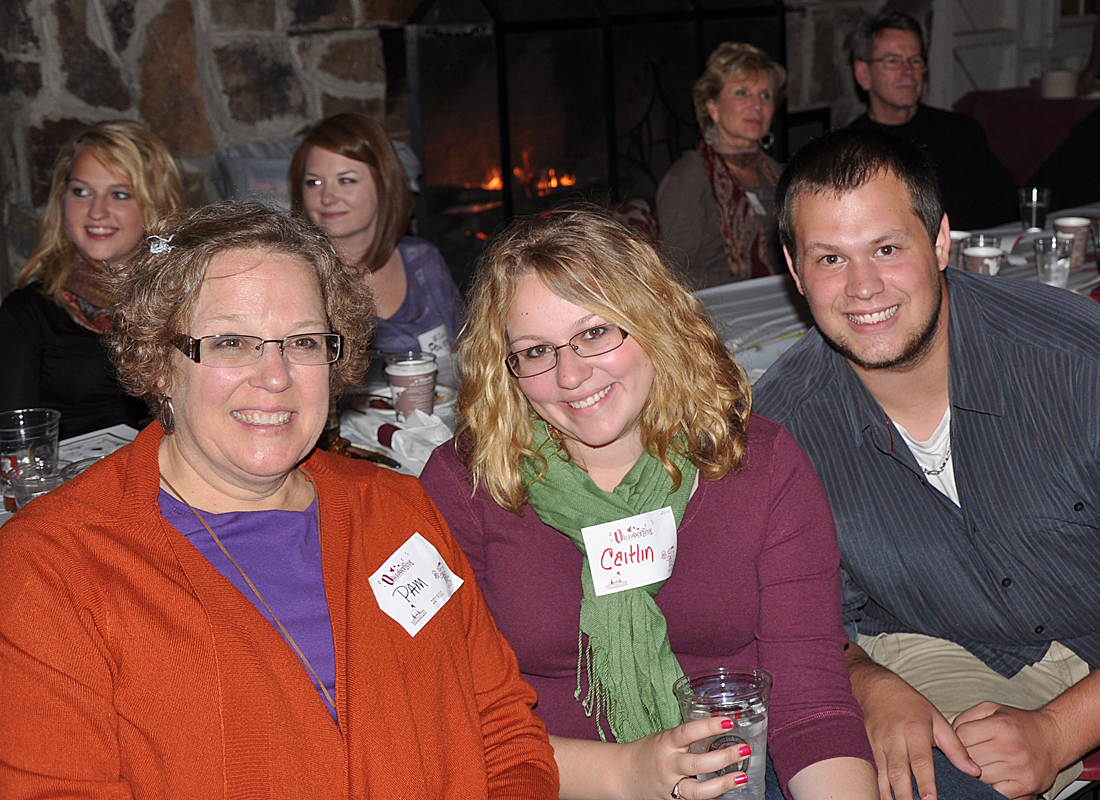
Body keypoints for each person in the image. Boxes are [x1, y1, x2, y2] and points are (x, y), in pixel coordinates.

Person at [0, 202, 558, 798]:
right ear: (161, 361)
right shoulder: (50, 570)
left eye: (302, 341)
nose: (275, 376)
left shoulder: (398, 512)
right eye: (232, 341)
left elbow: (504, 734)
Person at [420, 207, 878, 800]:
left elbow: (811, 706)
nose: (570, 375)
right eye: (535, 351)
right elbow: (443, 712)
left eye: (594, 333)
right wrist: (625, 773)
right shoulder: (468, 487)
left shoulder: (758, 466)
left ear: (654, 321)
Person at [753, 126, 1100, 800]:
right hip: (947, 647)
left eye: (887, 248)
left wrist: (1059, 731)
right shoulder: (782, 431)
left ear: (941, 243)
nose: (863, 288)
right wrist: (870, 684)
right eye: (830, 259)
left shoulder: (1076, 366)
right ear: (795, 272)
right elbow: (798, 624)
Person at [0, 120, 184, 438]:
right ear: (62, 199)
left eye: (120, 194)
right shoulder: (27, 314)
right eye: (82, 192)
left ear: (153, 202)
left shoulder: (188, 298)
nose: (97, 211)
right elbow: (14, 449)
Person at [289, 112, 465, 369]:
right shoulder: (298, 278)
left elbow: (467, 354)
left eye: (346, 180)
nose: (327, 197)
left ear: (384, 185)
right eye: (313, 182)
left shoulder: (423, 262)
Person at [846, 11, 1018, 232]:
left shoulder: (961, 133)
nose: (908, 72)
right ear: (863, 74)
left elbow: (996, 218)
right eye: (893, 61)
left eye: (915, 60)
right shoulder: (849, 150)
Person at [656, 42, 786, 288]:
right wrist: (750, 285)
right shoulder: (688, 178)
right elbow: (675, 273)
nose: (757, 106)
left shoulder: (776, 173)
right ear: (712, 107)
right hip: (718, 307)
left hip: (781, 298)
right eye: (741, 93)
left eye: (765, 95)